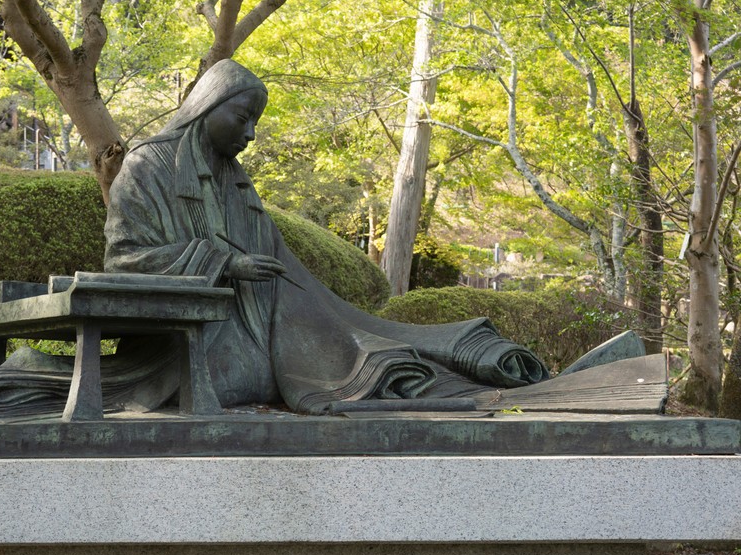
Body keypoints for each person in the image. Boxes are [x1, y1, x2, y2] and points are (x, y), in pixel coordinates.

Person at [104, 59, 557, 414]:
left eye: (254, 122)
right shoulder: (149, 166)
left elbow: (281, 264)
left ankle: (462, 355)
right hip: (187, 339)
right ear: (206, 105)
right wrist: (224, 263)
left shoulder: (235, 179)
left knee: (361, 348)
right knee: (293, 373)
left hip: (259, 326)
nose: (251, 133)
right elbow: (123, 258)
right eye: (243, 117)